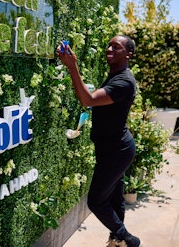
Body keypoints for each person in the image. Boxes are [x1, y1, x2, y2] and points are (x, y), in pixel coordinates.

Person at [57, 35, 141, 247]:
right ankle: (117, 240)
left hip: (117, 150)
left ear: (128, 55)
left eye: (117, 47)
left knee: (96, 201)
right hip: (111, 148)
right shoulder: (116, 75)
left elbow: (88, 100)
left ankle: (127, 239)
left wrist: (72, 66)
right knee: (114, 197)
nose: (109, 48)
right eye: (109, 44)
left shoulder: (124, 81)